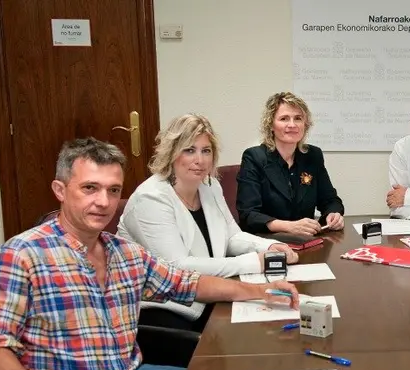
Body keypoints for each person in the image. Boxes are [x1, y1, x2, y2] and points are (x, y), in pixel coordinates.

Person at [0, 138, 299, 370]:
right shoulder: (22, 254)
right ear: (60, 189)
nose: (103, 202)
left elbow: (189, 284)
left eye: (113, 190)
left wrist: (261, 292)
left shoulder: (124, 253)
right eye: (90, 188)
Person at [117, 114, 299, 332]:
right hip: (164, 311)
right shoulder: (150, 198)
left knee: (279, 323)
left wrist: (268, 248)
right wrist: (253, 262)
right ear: (171, 153)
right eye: (189, 150)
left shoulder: (209, 185)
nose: (200, 160)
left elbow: (231, 236)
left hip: (210, 295)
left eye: (206, 150)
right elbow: (178, 268)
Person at [236, 92, 345, 235]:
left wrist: (334, 214)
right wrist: (289, 227)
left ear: (305, 125)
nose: (292, 125)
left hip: (307, 241)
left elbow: (330, 200)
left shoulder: (313, 155)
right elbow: (248, 215)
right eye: (284, 119)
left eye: (298, 118)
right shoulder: (254, 157)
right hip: (268, 242)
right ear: (271, 125)